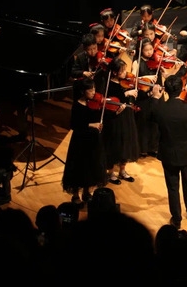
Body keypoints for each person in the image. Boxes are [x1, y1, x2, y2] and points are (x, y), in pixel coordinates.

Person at [149, 74, 187, 229]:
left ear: (165, 90)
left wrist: (155, 98)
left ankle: (176, 219)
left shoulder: (160, 109)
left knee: (172, 187)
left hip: (168, 153)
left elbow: (151, 116)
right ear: (182, 89)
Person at [62, 78, 107, 206]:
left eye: (94, 89)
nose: (94, 92)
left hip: (93, 140)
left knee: (90, 166)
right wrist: (92, 124)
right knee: (79, 167)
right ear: (83, 91)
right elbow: (74, 125)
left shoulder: (94, 103)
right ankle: (75, 195)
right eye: (90, 90)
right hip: (80, 141)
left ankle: (87, 193)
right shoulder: (77, 105)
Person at [101, 57, 140, 185]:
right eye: (122, 71)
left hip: (126, 116)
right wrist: (127, 94)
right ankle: (111, 173)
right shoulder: (109, 85)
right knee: (114, 145)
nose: (125, 73)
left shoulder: (125, 82)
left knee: (126, 143)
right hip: (115, 118)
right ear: (114, 72)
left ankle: (122, 170)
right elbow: (109, 102)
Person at [131, 38, 160, 156]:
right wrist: (146, 77)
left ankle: (153, 147)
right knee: (143, 123)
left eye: (151, 49)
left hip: (155, 95)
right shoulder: (137, 62)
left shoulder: (156, 61)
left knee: (154, 122)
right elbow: (132, 79)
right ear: (140, 50)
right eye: (146, 50)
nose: (149, 52)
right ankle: (142, 148)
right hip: (142, 97)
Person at [70, 32, 107, 99]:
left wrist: (105, 65)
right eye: (89, 49)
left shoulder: (101, 56)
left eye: (94, 48)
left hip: (98, 88)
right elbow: (73, 72)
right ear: (84, 48)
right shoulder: (80, 57)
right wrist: (83, 73)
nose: (93, 52)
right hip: (84, 90)